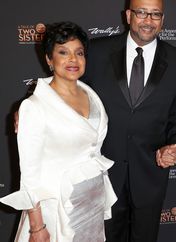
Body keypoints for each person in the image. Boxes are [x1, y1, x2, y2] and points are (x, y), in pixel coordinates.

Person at [1, 21, 117, 242]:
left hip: (90, 205)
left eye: (79, 53)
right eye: (63, 52)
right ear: (49, 59)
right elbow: (29, 174)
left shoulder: (91, 94)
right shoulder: (34, 107)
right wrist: (37, 227)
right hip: (54, 211)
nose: (73, 59)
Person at [83, 0, 176, 241]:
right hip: (104, 172)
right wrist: (33, 104)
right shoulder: (96, 52)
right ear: (128, 15)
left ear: (162, 20)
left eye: (155, 15)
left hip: (150, 173)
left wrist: (175, 144)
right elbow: (69, 88)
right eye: (141, 13)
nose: (148, 20)